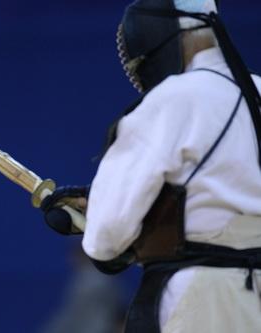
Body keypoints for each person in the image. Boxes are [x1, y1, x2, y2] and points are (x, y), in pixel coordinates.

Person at [41, 0, 261, 332]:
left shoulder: (171, 100)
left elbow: (106, 240)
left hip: (201, 302)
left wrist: (96, 212)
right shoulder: (257, 90)